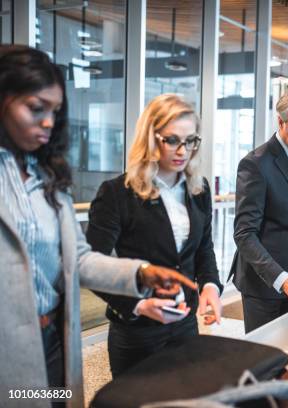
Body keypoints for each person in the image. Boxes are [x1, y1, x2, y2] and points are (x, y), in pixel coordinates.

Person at [0, 45, 196, 408]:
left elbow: (80, 258)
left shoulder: (46, 176)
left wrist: (143, 273)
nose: (48, 122)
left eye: (55, 112)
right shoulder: (116, 191)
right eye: (35, 108)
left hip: (56, 338)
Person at [86, 94, 223, 378]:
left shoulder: (199, 189)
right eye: (172, 140)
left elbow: (204, 248)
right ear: (151, 138)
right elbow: (91, 265)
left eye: (191, 141)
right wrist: (138, 305)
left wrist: (210, 284)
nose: (183, 150)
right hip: (137, 330)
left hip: (185, 321)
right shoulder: (117, 193)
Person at [231, 88, 288, 333]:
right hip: (264, 282)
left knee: (287, 350)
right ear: (280, 121)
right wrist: (281, 279)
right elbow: (244, 234)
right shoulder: (255, 164)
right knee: (263, 357)